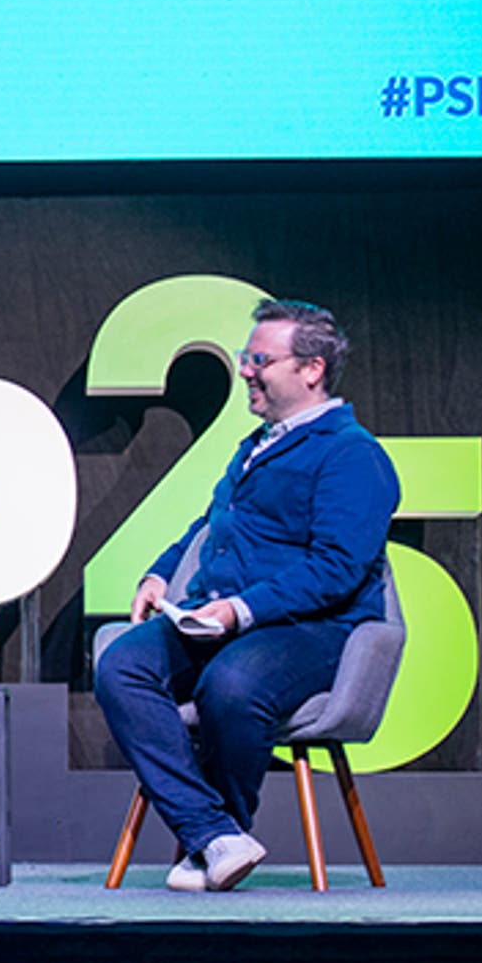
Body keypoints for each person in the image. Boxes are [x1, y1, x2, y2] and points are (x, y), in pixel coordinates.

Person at [95, 298, 399, 891]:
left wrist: (240, 610)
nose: (245, 371)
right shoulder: (255, 444)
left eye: (260, 359)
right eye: (245, 357)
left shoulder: (352, 454)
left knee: (232, 685)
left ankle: (211, 838)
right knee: (121, 665)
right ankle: (215, 836)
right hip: (222, 620)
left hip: (316, 628)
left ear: (311, 369)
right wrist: (159, 575)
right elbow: (205, 527)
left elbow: (337, 567)